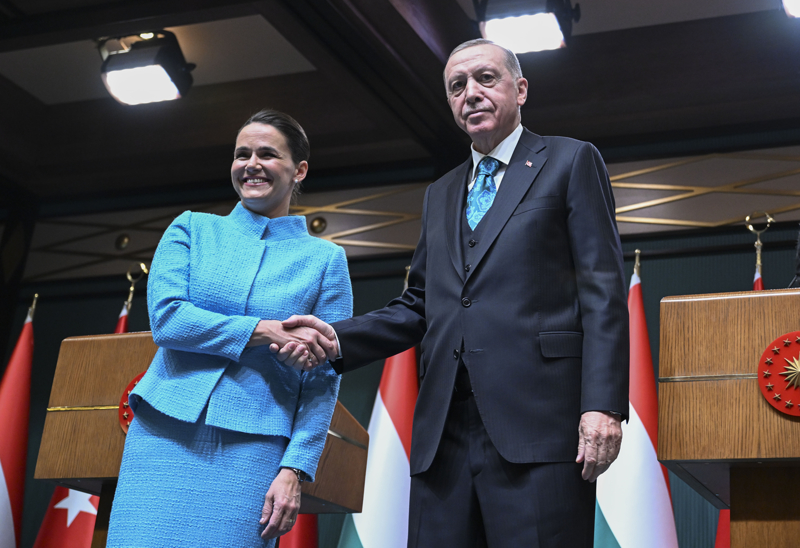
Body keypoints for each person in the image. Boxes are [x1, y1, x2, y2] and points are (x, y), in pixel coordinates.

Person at [276, 39, 630, 547]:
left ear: (520, 89)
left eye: (486, 78)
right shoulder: (439, 192)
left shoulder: (571, 160)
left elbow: (602, 291)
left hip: (539, 428)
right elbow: (421, 302)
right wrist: (336, 339)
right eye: (457, 86)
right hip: (443, 436)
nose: (472, 93)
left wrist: (603, 405)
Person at [106, 109, 351, 548]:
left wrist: (295, 468)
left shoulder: (325, 260)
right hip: (161, 435)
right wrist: (267, 331)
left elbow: (324, 377)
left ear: (299, 170)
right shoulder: (191, 228)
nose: (251, 164)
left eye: (267, 154)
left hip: (255, 450)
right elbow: (168, 320)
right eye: (242, 154)